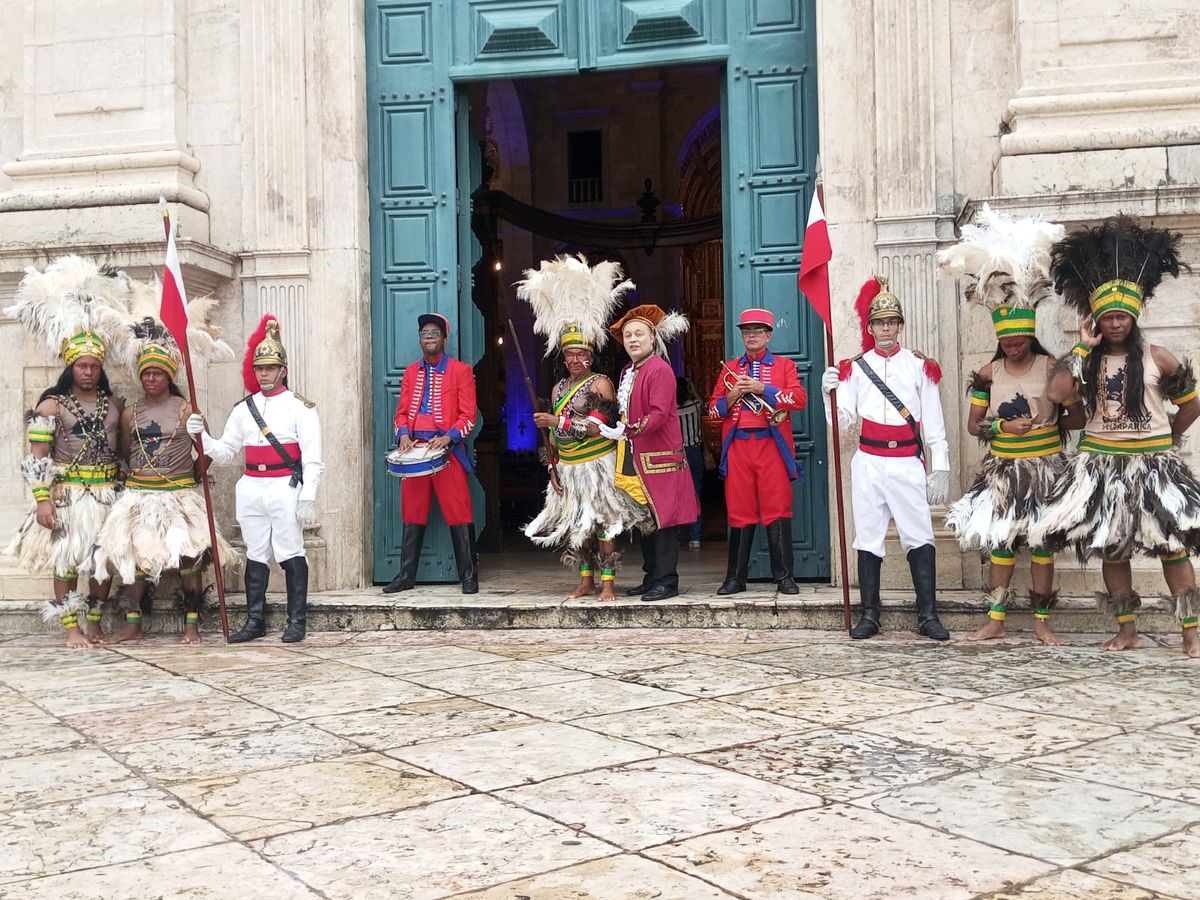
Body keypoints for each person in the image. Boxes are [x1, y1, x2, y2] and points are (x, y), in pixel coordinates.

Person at [1031, 216, 1200, 658]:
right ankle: (1127, 630)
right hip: (1102, 466)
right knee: (1112, 549)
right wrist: (1082, 346)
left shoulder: (1157, 357)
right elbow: (1055, 394)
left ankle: (1191, 633)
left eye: (1123, 316)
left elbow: (1192, 405)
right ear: (1096, 321)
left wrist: (1166, 440)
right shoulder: (1084, 361)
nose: (1116, 324)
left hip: (1153, 466)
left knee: (1173, 547)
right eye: (1108, 318)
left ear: (1134, 316)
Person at [941, 208, 1082, 645]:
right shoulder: (986, 373)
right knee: (1000, 542)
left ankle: (1042, 621)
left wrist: (1059, 408)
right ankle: (996, 618)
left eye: (1019, 341)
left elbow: (1075, 420)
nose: (1013, 346)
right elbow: (972, 426)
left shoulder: (1052, 366)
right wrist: (1003, 432)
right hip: (1003, 469)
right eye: (1006, 342)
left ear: (1030, 335)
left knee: (1041, 545)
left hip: (1044, 467)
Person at [4, 257, 127, 648]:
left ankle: (93, 621)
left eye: (93, 366)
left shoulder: (116, 404)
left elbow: (124, 451)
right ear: (71, 367)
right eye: (82, 366)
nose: (88, 371)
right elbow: (37, 458)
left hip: (107, 492)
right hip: (68, 495)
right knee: (66, 562)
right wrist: (43, 501)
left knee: (103, 563)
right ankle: (70, 627)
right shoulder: (51, 406)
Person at [820, 275, 951, 641]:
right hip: (868, 461)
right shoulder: (854, 368)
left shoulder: (921, 366)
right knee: (868, 536)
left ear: (900, 325)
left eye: (892, 322)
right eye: (879, 323)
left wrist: (940, 466)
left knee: (919, 535)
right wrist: (826, 393)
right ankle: (870, 615)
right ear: (870, 327)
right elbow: (843, 419)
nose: (886, 329)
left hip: (907, 461)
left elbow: (934, 422)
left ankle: (928, 615)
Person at [518, 255, 652, 601]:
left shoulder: (601, 384)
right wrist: (553, 466)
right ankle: (586, 580)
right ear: (563, 358)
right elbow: (553, 438)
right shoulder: (557, 389)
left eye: (581, 354)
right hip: (569, 467)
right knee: (579, 529)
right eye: (570, 355)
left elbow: (597, 428)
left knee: (605, 526)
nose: (575, 360)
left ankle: (608, 584)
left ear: (591, 357)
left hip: (597, 465)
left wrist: (556, 420)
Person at [94, 323, 235, 645]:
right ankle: (133, 622)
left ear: (169, 376)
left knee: (190, 558)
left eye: (158, 374)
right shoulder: (131, 413)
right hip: (141, 495)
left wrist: (194, 473)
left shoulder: (188, 411)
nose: (152, 379)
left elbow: (208, 451)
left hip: (179, 493)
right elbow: (126, 452)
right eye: (146, 374)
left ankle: (192, 624)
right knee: (137, 557)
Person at [187, 315, 323, 642]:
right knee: (255, 553)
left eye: (271, 368)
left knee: (291, 551)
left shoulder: (300, 407)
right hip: (251, 487)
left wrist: (308, 496)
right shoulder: (243, 409)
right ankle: (255, 621)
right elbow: (225, 451)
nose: (264, 374)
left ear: (282, 371)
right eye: (260, 368)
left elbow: (314, 459)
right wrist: (201, 436)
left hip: (284, 487)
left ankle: (296, 622)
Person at [599, 304, 700, 602]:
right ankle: (651, 576)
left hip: (659, 458)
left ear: (653, 337)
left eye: (639, 334)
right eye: (628, 335)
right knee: (645, 520)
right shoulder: (628, 371)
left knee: (663, 520)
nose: (632, 339)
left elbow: (657, 415)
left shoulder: (659, 369)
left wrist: (626, 430)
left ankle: (667, 581)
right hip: (635, 456)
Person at [708, 308, 808, 595]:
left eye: (757, 331)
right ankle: (735, 578)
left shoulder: (784, 366)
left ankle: (784, 577)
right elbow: (713, 410)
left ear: (768, 335)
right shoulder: (729, 368)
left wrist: (763, 388)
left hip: (771, 445)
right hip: (739, 446)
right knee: (739, 511)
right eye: (746, 332)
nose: (751, 336)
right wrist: (732, 395)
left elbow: (798, 399)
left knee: (777, 508)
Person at [382, 313, 480, 595]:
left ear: (445, 339)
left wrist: (449, 437)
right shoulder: (411, 372)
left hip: (446, 452)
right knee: (412, 512)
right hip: (415, 451)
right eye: (424, 333)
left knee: (458, 511)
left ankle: (469, 576)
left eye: (434, 333)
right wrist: (402, 435)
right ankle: (406, 576)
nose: (429, 337)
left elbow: (468, 415)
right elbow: (401, 413)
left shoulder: (460, 371)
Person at [676, 376, 705, 549]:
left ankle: (678, 534)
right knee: (696, 493)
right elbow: (706, 408)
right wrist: (693, 390)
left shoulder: (671, 409)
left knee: (678, 495)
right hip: (694, 452)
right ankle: (695, 536)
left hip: (678, 454)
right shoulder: (695, 405)